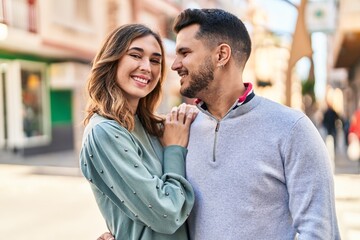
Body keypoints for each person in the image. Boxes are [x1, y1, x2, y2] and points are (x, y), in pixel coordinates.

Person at [99, 8, 340, 240]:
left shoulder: (291, 128)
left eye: (185, 53)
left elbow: (319, 228)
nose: (174, 65)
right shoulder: (179, 128)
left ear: (221, 55)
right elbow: (147, 200)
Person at [80, 23, 197, 240]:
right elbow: (167, 215)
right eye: (135, 55)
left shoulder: (151, 126)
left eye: (155, 60)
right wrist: (174, 149)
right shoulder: (104, 132)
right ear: (112, 60)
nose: (147, 67)